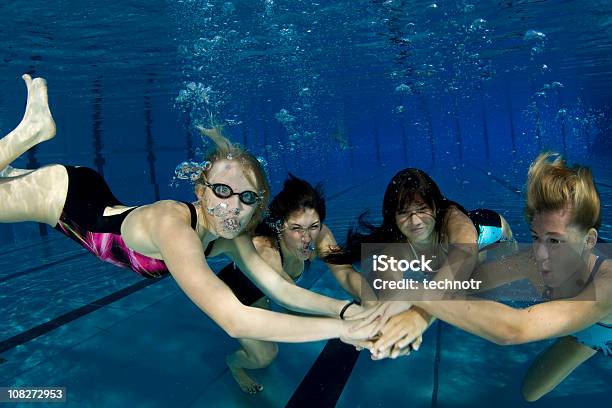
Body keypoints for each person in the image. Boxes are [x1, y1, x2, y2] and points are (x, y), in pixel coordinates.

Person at [0, 74, 378, 353]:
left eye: (247, 198)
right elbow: (234, 320)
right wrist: (338, 330)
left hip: (89, 193)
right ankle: (29, 132)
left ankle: (31, 131)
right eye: (222, 192)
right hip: (59, 199)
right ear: (200, 191)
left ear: (259, 204)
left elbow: (280, 288)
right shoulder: (173, 226)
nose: (233, 208)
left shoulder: (231, 239)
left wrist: (346, 311)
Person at [360, 153, 612, 401]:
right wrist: (418, 315)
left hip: (603, 324)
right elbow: (468, 284)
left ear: (589, 240)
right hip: (588, 335)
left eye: (555, 240)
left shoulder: (608, 282)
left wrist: (413, 293)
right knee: (530, 393)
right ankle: (589, 339)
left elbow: (513, 329)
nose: (541, 253)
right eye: (535, 237)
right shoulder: (532, 259)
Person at [324, 167, 515, 354]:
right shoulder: (393, 246)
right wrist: (382, 328)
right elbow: (392, 295)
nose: (415, 221)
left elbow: (463, 261)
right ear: (393, 216)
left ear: (435, 207)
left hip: (491, 237)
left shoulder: (453, 219)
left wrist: (419, 316)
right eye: (404, 212)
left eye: (422, 209)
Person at [213, 174, 376, 393]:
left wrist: (372, 301)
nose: (306, 238)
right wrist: (350, 322)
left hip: (271, 292)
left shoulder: (320, 235)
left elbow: (345, 272)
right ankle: (234, 364)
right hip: (239, 294)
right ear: (280, 225)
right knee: (264, 356)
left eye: (313, 226)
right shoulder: (264, 250)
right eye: (296, 228)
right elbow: (292, 302)